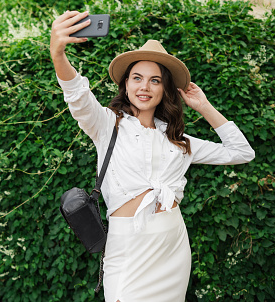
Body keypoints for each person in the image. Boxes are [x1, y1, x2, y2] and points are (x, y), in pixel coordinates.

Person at [50, 11, 255, 302]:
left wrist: (205, 107)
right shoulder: (106, 124)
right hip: (128, 248)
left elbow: (241, 152)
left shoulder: (179, 141)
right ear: (126, 85)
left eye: (154, 80)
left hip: (172, 244)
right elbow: (77, 95)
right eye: (137, 78)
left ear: (164, 90)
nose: (144, 86)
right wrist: (58, 52)